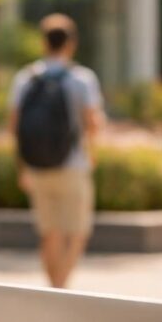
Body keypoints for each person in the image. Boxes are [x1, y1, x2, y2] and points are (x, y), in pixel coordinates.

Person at [8, 14, 105, 289]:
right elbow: (92, 123)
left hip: (37, 166)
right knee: (77, 232)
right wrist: (93, 152)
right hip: (73, 164)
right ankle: (61, 287)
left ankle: (54, 288)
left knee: (49, 233)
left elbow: (14, 127)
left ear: (43, 43)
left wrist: (22, 167)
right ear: (71, 43)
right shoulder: (82, 79)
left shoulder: (25, 78)